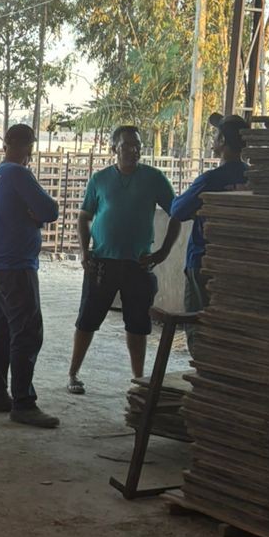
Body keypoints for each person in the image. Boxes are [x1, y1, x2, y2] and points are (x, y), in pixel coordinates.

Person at [67, 125, 182, 394]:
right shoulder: (100, 179)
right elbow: (84, 217)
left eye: (137, 145)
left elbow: (177, 213)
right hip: (102, 263)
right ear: (113, 149)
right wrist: (85, 252)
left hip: (138, 264)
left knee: (138, 324)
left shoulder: (154, 179)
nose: (134, 150)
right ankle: (73, 374)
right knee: (87, 320)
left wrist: (163, 252)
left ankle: (139, 380)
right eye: (127, 145)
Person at [0, 124, 61, 429]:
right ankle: (24, 403)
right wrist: (36, 213)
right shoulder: (19, 174)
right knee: (27, 330)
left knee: (2, 326)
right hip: (16, 263)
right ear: (29, 146)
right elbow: (49, 209)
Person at [169, 114, 250, 353]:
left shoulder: (211, 179)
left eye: (216, 136)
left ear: (223, 141)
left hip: (203, 260)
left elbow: (178, 209)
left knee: (199, 323)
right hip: (238, 261)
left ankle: (202, 376)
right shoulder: (251, 178)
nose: (213, 140)